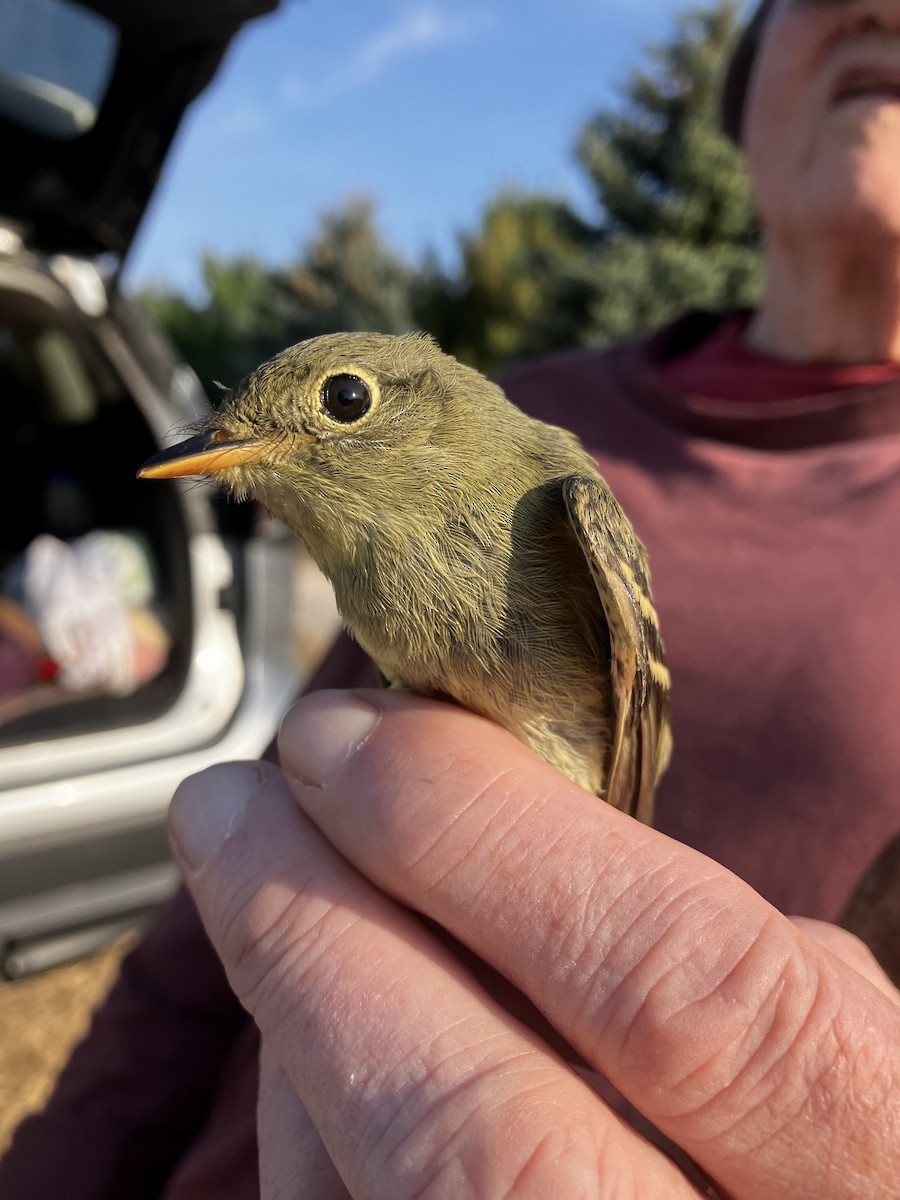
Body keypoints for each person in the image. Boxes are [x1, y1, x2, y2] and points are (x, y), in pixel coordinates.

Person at [3, 0, 900, 1194]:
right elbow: (211, 921)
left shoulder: (557, 492)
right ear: (744, 93)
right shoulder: (496, 436)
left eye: (342, 405)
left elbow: (631, 771)